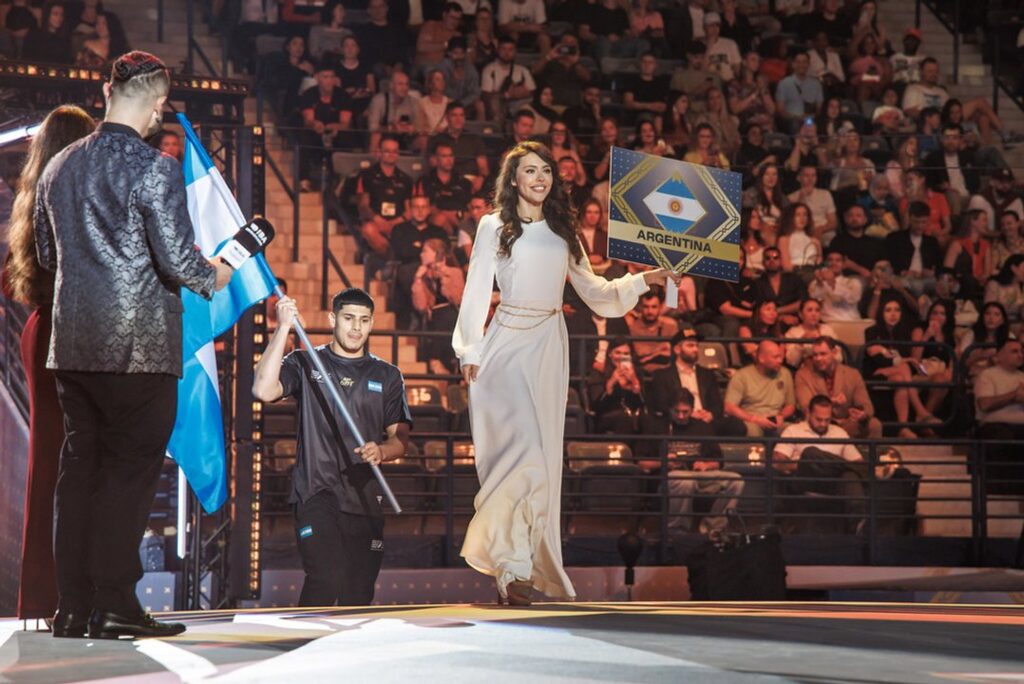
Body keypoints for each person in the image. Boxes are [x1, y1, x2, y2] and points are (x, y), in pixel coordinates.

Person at [34, 52, 233, 639]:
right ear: (154, 103)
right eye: (162, 106)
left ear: (106, 91)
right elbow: (176, 260)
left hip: (72, 347)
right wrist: (214, 275)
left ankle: (73, 607)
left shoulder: (58, 167)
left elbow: (48, 257)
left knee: (79, 474)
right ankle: (116, 602)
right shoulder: (155, 168)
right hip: (139, 349)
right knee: (126, 476)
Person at [452, 141, 675, 605]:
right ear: (513, 179)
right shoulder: (493, 226)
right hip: (505, 343)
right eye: (530, 171)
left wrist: (643, 280)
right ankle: (509, 561)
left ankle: (516, 568)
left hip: (550, 345)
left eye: (546, 171)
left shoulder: (564, 231)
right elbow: (475, 289)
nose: (540, 178)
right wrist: (468, 349)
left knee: (543, 460)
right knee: (523, 453)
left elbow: (594, 291)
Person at [253, 289, 412, 605]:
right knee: (326, 577)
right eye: (349, 318)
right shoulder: (306, 361)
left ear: (371, 324)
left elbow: (400, 441)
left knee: (358, 591)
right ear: (332, 319)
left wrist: (382, 451)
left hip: (366, 499)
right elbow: (263, 389)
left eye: (364, 320)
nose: (356, 327)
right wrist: (283, 327)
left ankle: (346, 653)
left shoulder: (388, 375)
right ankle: (308, 648)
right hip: (315, 493)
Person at [1, 105, 94, 622]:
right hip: (72, 334)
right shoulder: (73, 198)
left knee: (50, 464)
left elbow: (12, 277)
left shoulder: (31, 197)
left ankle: (45, 596)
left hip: (42, 332)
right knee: (76, 464)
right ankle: (66, 596)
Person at [640, 389, 744, 537]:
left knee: (736, 481)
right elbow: (643, 464)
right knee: (684, 481)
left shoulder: (702, 427)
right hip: (669, 477)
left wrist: (707, 465)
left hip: (701, 475)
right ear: (669, 409)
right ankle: (677, 529)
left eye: (685, 412)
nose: (681, 416)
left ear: (692, 410)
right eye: (676, 411)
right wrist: (664, 462)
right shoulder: (656, 427)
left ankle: (714, 527)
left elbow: (719, 461)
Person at [773, 395, 867, 532]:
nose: (823, 424)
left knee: (849, 476)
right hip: (806, 479)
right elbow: (778, 462)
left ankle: (859, 524)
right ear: (808, 414)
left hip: (833, 482)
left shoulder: (839, 433)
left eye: (827, 420)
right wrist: (804, 463)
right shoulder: (793, 430)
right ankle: (872, 471)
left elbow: (858, 463)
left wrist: (829, 466)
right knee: (810, 453)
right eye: (818, 419)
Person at [646, 328, 746, 436]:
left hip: (705, 420)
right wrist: (689, 414)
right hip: (680, 420)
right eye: (690, 346)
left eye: (696, 346)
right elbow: (662, 405)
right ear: (677, 349)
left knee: (736, 425)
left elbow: (717, 403)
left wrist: (710, 414)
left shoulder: (707, 374)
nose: (695, 349)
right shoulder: (662, 375)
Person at [796, 337, 882, 438]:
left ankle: (870, 454)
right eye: (815, 355)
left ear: (834, 352)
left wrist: (861, 414)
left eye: (823, 354)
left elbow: (867, 406)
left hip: (847, 422)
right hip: (820, 424)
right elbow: (806, 407)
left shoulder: (852, 374)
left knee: (874, 424)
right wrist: (830, 402)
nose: (818, 358)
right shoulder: (803, 374)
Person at [724, 340, 797, 437]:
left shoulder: (785, 373)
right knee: (752, 432)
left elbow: (790, 405)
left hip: (776, 421)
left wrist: (781, 416)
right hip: (751, 421)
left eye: (780, 356)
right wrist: (754, 419)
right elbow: (729, 407)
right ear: (761, 358)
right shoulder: (742, 376)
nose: (780, 360)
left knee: (794, 432)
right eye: (775, 357)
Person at [809, 249, 864, 322]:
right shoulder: (816, 282)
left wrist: (831, 282)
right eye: (830, 260)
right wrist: (820, 282)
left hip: (850, 322)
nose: (834, 263)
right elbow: (814, 299)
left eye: (838, 260)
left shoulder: (853, 282)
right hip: (827, 324)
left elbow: (854, 298)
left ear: (844, 264)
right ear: (825, 263)